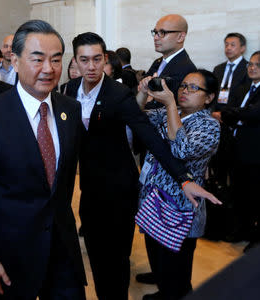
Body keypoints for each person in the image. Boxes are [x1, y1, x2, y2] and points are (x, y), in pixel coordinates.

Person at [65, 32, 219, 300]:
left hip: (118, 191)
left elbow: (150, 137)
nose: (91, 67)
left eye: (97, 59)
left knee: (115, 262)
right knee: (96, 255)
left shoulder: (118, 93)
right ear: (75, 61)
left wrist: (183, 178)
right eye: (84, 60)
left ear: (105, 59)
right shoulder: (69, 90)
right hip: (89, 190)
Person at [0, 20, 87, 299]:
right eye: (38, 59)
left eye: (56, 59)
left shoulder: (70, 109)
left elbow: (63, 185)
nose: (48, 69)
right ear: (14, 61)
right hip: (10, 257)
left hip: (62, 250)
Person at [136, 70, 221, 300]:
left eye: (194, 88)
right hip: (153, 201)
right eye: (183, 86)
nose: (185, 91)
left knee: (177, 270)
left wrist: (171, 105)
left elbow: (181, 150)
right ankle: (164, 292)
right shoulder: (165, 112)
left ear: (209, 97)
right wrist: (143, 93)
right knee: (158, 260)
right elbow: (136, 117)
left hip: (181, 208)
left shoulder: (209, 126)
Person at [206, 33, 251, 241]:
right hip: (216, 124)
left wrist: (227, 115)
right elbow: (212, 94)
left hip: (234, 125)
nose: (228, 48)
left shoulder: (249, 69)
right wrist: (213, 114)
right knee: (216, 171)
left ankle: (233, 221)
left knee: (234, 175)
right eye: (226, 44)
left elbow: (245, 100)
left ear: (242, 48)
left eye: (232, 45)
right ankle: (216, 219)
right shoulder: (218, 69)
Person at [218, 51, 260, 252]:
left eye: (257, 65)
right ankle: (241, 230)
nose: (252, 67)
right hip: (236, 149)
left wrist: (232, 114)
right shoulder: (243, 87)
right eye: (250, 64)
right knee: (238, 192)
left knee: (255, 195)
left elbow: (252, 113)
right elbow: (230, 111)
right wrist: (231, 114)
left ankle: (256, 238)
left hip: (255, 153)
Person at [144, 14, 197, 109]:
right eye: (155, 32)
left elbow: (162, 105)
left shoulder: (185, 68)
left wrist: (148, 97)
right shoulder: (158, 62)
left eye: (162, 32)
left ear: (180, 37)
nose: (155, 37)